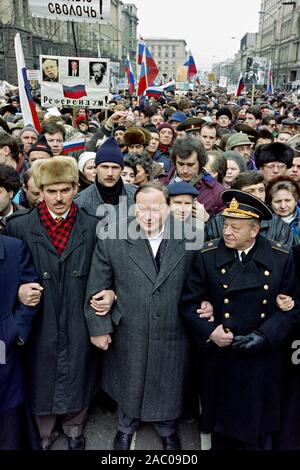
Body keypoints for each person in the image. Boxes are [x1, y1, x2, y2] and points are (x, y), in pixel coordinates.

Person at [84, 182, 204, 451]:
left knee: (169, 381)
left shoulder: (192, 235)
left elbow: (201, 282)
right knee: (129, 379)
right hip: (131, 327)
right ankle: (125, 427)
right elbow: (97, 286)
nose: (148, 216)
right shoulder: (113, 237)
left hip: (175, 329)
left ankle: (167, 428)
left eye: (156, 209)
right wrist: (99, 327)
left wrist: (206, 304)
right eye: (142, 209)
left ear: (169, 208)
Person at [179, 189, 300, 450]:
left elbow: (292, 308)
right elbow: (188, 303)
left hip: (262, 359)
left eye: (235, 227)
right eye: (225, 225)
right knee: (223, 431)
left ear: (255, 230)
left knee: (258, 431)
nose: (227, 232)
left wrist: (265, 336)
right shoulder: (207, 255)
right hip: (222, 356)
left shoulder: (281, 257)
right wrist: (211, 332)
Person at [6, 157, 109, 450]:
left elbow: (108, 269)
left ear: (76, 187)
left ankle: (74, 428)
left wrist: (109, 294)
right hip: (40, 317)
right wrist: (18, 293)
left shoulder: (93, 224)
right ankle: (44, 431)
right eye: (51, 191)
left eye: (65, 189)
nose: (59, 197)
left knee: (80, 366)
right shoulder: (19, 226)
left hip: (79, 312)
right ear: (39, 191)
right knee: (40, 368)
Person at [0, 234, 40, 449]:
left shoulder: (14, 249)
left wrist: (14, 330)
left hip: (3, 347)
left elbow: (32, 296)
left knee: (9, 431)